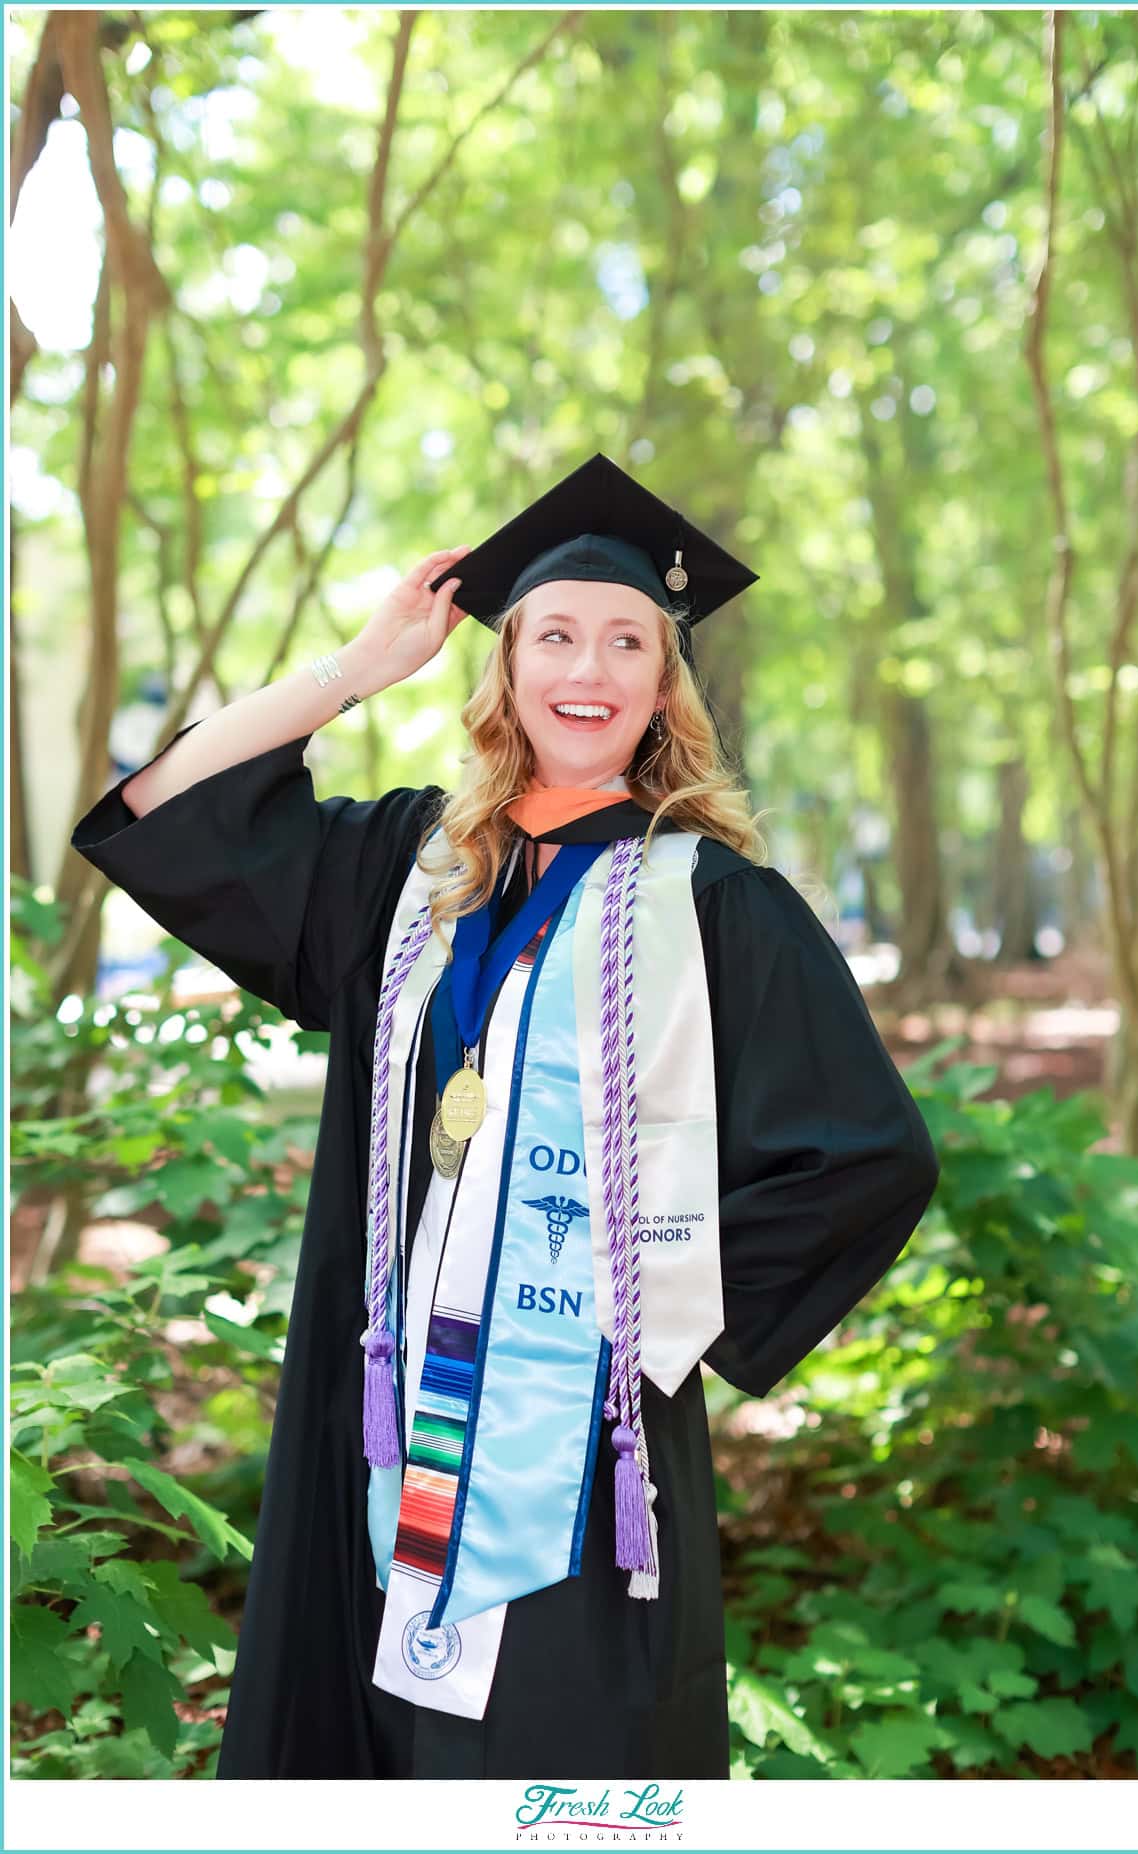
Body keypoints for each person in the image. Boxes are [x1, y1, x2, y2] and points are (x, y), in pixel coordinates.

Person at [70, 452, 940, 1781]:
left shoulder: (713, 901)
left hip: (580, 1440)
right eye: (555, 633)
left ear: (663, 682)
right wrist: (354, 669)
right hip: (392, 1404)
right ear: (508, 662)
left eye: (626, 640)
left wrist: (649, 1299)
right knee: (389, 1741)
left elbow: (867, 1159)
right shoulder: (406, 870)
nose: (586, 667)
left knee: (562, 1749)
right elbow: (160, 809)